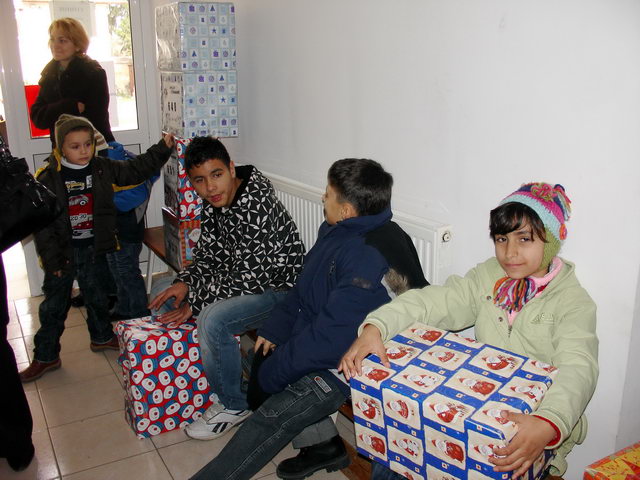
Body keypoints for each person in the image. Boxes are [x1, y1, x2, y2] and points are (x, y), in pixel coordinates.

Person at [339, 182, 598, 480]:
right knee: (396, 451)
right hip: (476, 411)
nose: (510, 252)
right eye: (501, 239)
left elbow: (579, 368)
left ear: (550, 241)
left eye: (524, 239)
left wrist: (549, 421)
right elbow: (434, 301)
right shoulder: (488, 276)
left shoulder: (573, 302)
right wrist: (377, 326)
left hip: (532, 425)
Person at [189, 158, 428, 480]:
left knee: (268, 418)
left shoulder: (367, 257)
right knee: (259, 359)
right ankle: (323, 447)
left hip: (352, 363)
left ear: (346, 210)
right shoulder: (335, 231)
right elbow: (303, 290)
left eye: (327, 194)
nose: (322, 198)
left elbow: (330, 342)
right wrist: (274, 330)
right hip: (325, 340)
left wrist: (273, 373)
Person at [148, 136, 305, 439]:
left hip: (280, 291)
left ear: (231, 169)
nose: (210, 188)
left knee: (212, 318)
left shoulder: (257, 203)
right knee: (163, 289)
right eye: (200, 180)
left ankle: (233, 405)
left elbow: (253, 278)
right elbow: (209, 255)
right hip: (245, 282)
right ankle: (204, 377)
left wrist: (195, 302)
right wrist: (185, 283)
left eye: (216, 175)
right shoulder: (215, 202)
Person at [19, 114, 174, 382]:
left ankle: (102, 337)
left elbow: (136, 169)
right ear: (60, 148)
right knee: (54, 306)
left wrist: (162, 147)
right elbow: (43, 229)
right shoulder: (48, 178)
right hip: (63, 255)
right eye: (74, 146)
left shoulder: (102, 167)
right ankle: (46, 355)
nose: (83, 151)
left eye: (87, 145)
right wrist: (52, 262)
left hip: (93, 248)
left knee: (97, 295)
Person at [30, 17, 114, 148]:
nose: (55, 45)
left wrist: (54, 113)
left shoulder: (92, 72)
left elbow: (96, 119)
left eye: (62, 40)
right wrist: (68, 106)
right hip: (61, 152)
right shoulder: (49, 74)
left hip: (93, 150)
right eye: (52, 39)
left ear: (78, 45)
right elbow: (38, 118)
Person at [108, 144, 160, 321]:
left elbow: (128, 198)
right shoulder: (119, 157)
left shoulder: (117, 162)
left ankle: (140, 314)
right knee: (116, 269)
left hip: (128, 230)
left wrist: (106, 202)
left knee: (127, 271)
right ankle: (124, 308)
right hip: (113, 228)